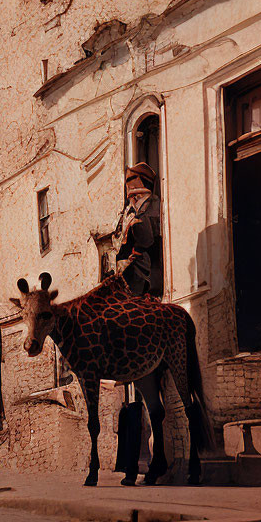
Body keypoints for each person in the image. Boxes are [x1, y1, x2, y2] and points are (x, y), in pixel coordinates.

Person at [112, 162, 163, 484]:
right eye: (128, 181)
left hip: (148, 285)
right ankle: (131, 460)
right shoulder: (126, 211)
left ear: (145, 184)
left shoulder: (154, 208)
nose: (130, 187)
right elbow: (120, 244)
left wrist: (136, 220)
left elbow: (146, 241)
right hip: (128, 282)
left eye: (135, 181)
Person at [113, 162, 162, 298]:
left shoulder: (152, 206)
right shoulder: (136, 210)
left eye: (130, 180)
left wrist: (132, 254)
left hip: (146, 276)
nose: (127, 185)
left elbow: (147, 238)